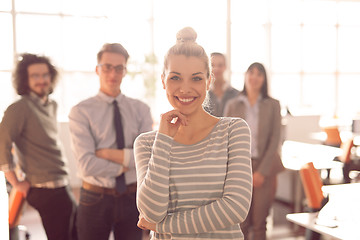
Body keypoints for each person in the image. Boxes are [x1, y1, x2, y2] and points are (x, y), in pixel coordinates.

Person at [135, 27, 253, 240]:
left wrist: (162, 226)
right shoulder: (146, 143)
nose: (185, 88)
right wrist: (162, 140)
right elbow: (151, 212)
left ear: (209, 81)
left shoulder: (233, 131)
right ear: (163, 81)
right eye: (176, 78)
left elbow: (235, 208)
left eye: (196, 79)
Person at [68, 43, 153, 240]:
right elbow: (86, 165)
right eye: (107, 67)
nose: (112, 73)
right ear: (97, 69)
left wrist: (105, 153)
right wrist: (127, 163)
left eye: (119, 68)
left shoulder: (141, 110)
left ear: (125, 71)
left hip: (133, 196)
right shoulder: (81, 111)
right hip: (95, 198)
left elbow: (147, 158)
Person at [0, 54, 77, 240]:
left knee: (75, 232)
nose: (41, 80)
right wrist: (17, 183)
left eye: (45, 75)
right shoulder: (18, 108)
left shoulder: (52, 105)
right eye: (35, 76)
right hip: (44, 189)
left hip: (62, 182)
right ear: (25, 79)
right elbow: (1, 146)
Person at [224, 62, 284, 240]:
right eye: (251, 73)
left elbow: (275, 139)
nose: (255, 77)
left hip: (264, 166)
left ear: (264, 79)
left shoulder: (273, 104)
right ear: (245, 76)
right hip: (239, 166)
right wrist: (236, 170)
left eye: (259, 74)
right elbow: (227, 139)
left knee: (259, 222)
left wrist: (261, 172)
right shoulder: (233, 105)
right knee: (240, 221)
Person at [205, 52, 239, 117]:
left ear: (225, 67)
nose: (216, 69)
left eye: (220, 65)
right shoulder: (203, 95)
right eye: (212, 65)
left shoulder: (237, 95)